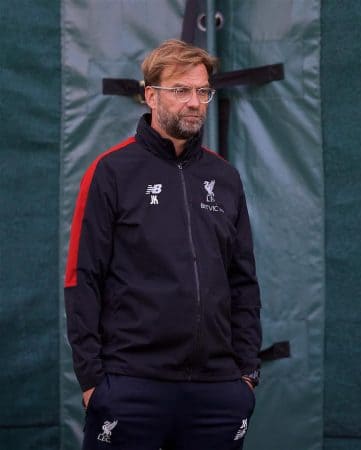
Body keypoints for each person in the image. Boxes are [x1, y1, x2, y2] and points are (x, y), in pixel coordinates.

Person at [64, 39, 262, 450]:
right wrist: (93, 383)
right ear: (150, 95)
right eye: (181, 90)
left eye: (202, 91)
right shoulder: (112, 172)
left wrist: (245, 376)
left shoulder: (224, 178)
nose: (194, 102)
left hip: (217, 391)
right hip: (131, 386)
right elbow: (81, 278)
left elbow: (243, 282)